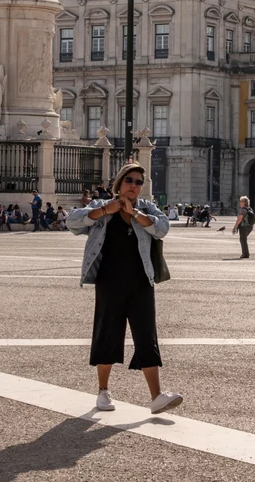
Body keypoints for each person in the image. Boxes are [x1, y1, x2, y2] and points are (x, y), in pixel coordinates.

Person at [66, 162, 181, 415]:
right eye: (130, 180)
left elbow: (162, 228)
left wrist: (136, 215)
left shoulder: (146, 208)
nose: (134, 186)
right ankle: (103, 391)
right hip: (109, 282)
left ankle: (156, 397)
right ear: (119, 183)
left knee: (146, 336)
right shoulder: (102, 208)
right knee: (108, 333)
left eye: (139, 182)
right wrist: (105, 210)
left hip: (141, 282)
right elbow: (71, 222)